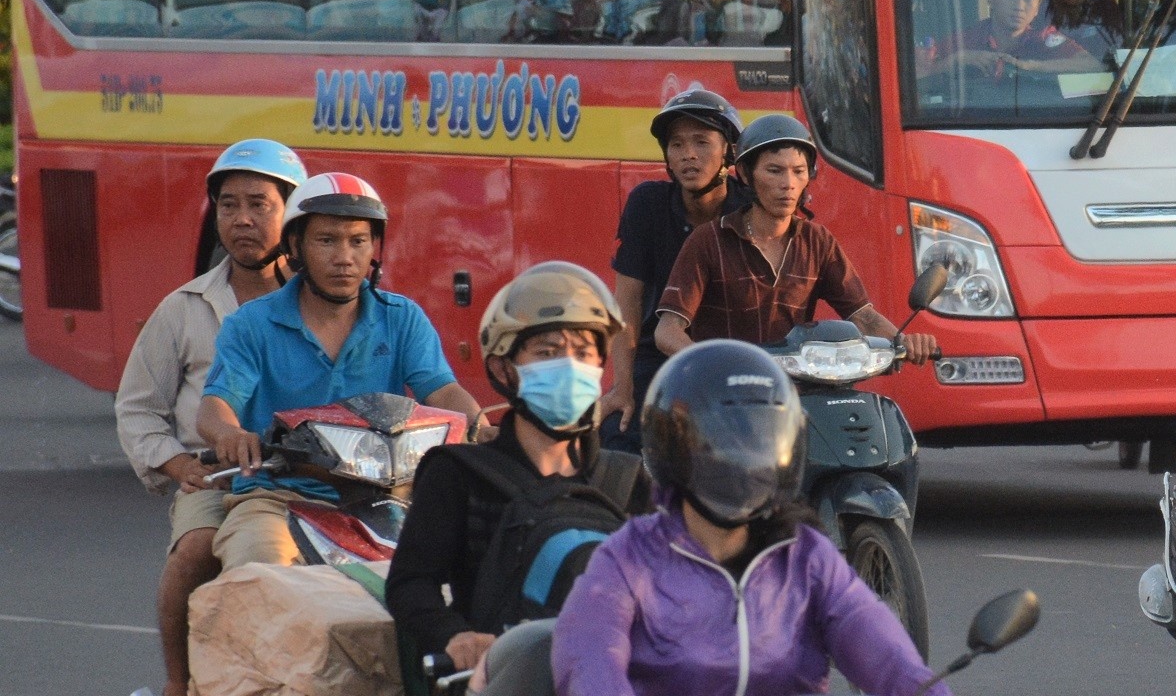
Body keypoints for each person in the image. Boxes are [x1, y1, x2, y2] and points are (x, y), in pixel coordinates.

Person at [544, 341, 945, 696]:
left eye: (761, 439)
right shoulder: (627, 559)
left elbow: (892, 662)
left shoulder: (807, 559)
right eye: (723, 443)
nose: (746, 461)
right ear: (674, 448)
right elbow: (589, 666)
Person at [198, 172, 483, 570]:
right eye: (327, 240)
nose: (344, 258)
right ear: (295, 246)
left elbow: (442, 391)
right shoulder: (251, 325)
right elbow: (216, 405)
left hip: (390, 493)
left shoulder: (402, 319)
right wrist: (230, 434)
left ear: (373, 250)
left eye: (358, 241)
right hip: (280, 494)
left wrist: (481, 426)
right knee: (262, 565)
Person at [387, 263, 650, 688]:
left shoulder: (627, 479)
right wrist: (454, 636)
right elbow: (410, 582)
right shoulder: (459, 473)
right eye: (546, 352)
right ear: (505, 369)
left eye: (583, 353)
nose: (568, 366)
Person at [115, 140, 306, 696]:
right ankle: (178, 682)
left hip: (316, 471)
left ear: (292, 214)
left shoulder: (327, 304)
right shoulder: (183, 307)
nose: (242, 219)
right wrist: (177, 467)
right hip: (216, 476)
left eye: (259, 205)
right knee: (197, 548)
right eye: (228, 205)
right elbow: (137, 407)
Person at [652, 114, 940, 363]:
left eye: (798, 172)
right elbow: (667, 331)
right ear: (746, 174)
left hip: (796, 394)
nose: (787, 184)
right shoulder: (709, 240)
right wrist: (711, 367)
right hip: (728, 395)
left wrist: (904, 342)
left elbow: (862, 316)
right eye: (774, 171)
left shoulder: (817, 241)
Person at [597, 89, 748, 453]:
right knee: (619, 442)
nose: (688, 155)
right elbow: (628, 302)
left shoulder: (751, 207)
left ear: (728, 150)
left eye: (701, 142)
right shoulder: (647, 203)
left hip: (740, 357)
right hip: (661, 357)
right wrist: (623, 387)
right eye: (677, 144)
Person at [918, 0, 1091, 84]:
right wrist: (958, 60)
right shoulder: (966, 40)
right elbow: (918, 76)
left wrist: (1029, 67)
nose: (1019, 6)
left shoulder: (1044, 38)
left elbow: (1092, 65)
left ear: (1038, 5)